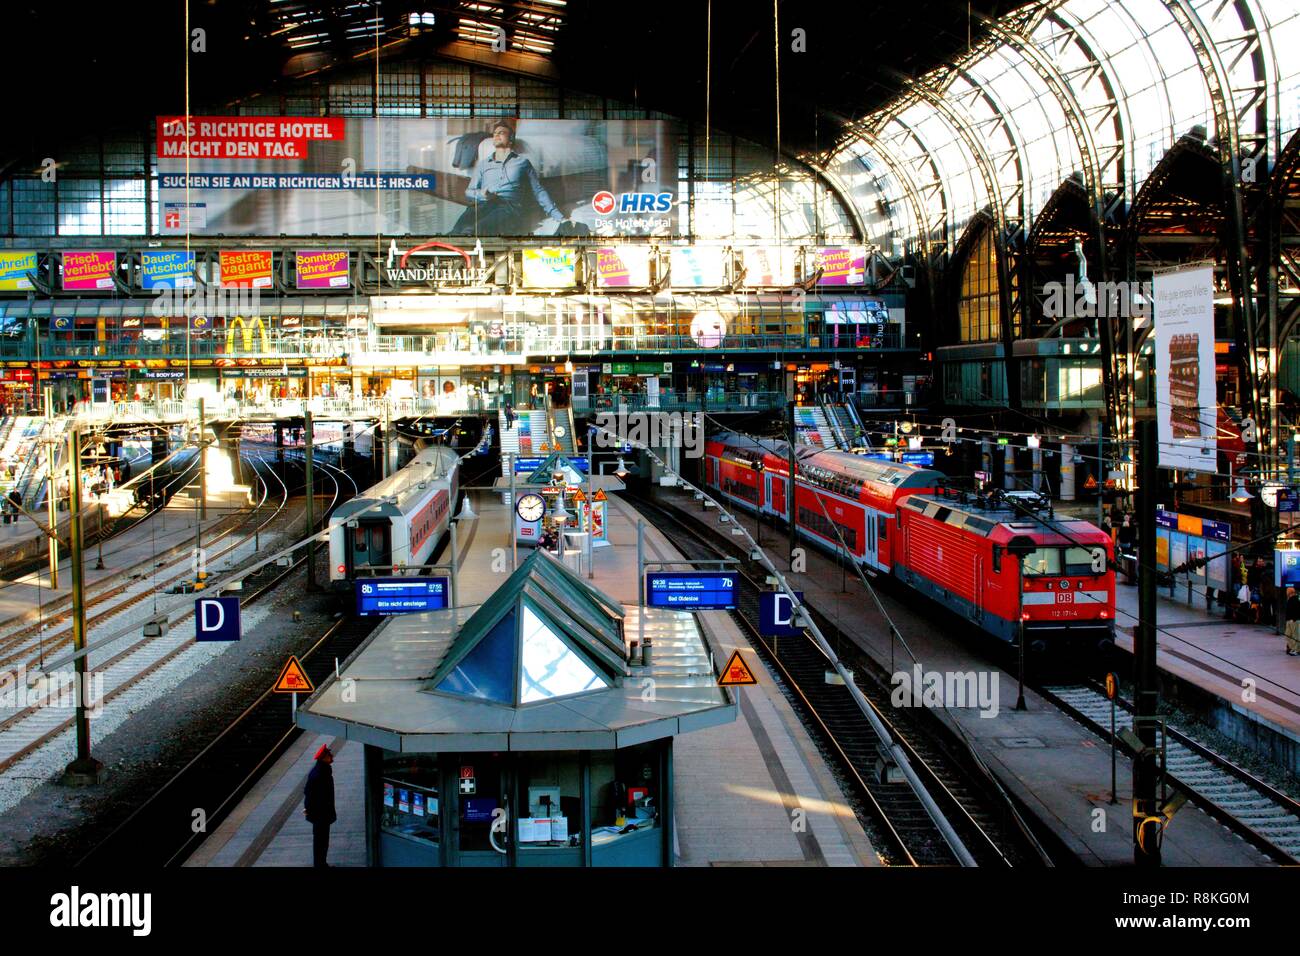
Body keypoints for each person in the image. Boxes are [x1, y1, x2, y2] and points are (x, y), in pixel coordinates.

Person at [452, 121, 568, 236]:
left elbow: (538, 191)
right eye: (495, 133)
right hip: (484, 204)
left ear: (511, 139)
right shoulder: (483, 164)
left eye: (501, 132)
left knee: (476, 230)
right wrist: (482, 194)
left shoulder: (522, 162)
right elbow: (469, 192)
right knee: (457, 230)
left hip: (509, 207)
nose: (496, 135)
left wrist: (559, 217)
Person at [303, 743, 336, 867]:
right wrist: (309, 809)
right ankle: (320, 865)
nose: (331, 756)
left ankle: (322, 864)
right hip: (320, 814)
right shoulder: (319, 774)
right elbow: (309, 793)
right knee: (320, 841)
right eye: (329, 754)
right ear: (324, 757)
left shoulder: (323, 771)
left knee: (322, 841)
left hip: (322, 814)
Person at [1286, 588, 1300, 656]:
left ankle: (1296, 650)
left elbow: (1297, 610)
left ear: (1290, 592)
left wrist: (1294, 619)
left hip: (1294, 620)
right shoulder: (1290, 599)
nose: (1286, 593)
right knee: (1288, 634)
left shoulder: (1295, 599)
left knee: (1295, 635)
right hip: (1289, 620)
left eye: (1287, 591)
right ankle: (1292, 648)